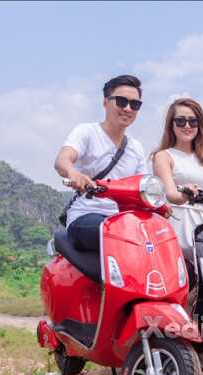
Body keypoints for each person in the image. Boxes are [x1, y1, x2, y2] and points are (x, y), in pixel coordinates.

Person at [54, 74, 147, 251]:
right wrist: (73, 173)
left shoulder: (136, 148)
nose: (128, 109)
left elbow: (142, 187)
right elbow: (62, 160)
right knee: (115, 232)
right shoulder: (87, 132)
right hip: (87, 215)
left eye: (134, 104)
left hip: (124, 220)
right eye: (121, 101)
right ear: (105, 102)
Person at [151, 98, 203, 258]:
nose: (187, 126)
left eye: (193, 121)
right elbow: (170, 194)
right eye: (180, 121)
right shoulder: (163, 156)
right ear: (171, 125)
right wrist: (186, 193)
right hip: (178, 225)